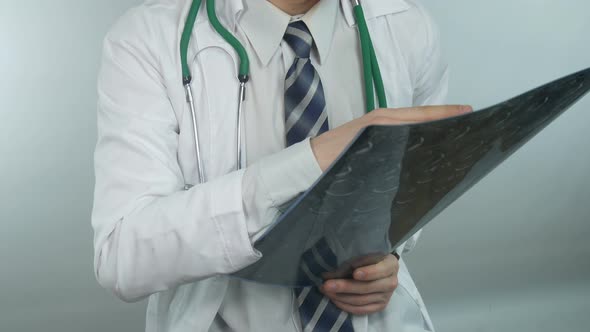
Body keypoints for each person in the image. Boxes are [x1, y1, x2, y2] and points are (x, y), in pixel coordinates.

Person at [92, 0, 470, 331]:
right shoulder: (147, 40)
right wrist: (312, 159)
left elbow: (411, 186)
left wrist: (388, 257)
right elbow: (121, 255)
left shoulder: (406, 24)